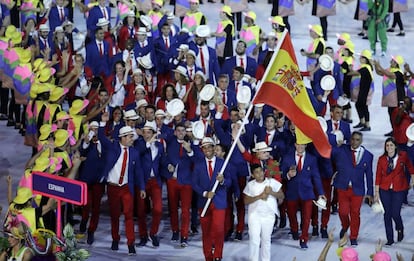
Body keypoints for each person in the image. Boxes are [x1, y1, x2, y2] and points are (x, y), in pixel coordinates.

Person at [98, 118, 145, 255]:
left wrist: (141, 188)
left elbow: (139, 171)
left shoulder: (134, 152)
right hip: (113, 187)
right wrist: (103, 122)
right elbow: (101, 136)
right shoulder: (112, 147)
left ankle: (131, 243)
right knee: (114, 215)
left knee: (129, 215)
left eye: (132, 137)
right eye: (130, 137)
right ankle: (115, 239)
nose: (132, 139)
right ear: (122, 138)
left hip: (126, 188)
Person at [192, 137, 231, 261]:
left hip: (219, 202)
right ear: (202, 150)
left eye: (210, 147)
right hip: (204, 203)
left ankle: (218, 255)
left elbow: (230, 182)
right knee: (206, 231)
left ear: (214, 148)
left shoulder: (222, 163)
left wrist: (223, 180)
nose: (207, 149)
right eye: (205, 147)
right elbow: (194, 184)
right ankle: (208, 257)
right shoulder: (198, 165)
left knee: (219, 229)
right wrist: (204, 194)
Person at [332, 131, 374, 246]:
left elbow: (369, 175)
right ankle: (345, 225)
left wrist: (370, 192)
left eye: (357, 140)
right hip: (343, 187)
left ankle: (354, 236)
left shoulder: (368, 155)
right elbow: (329, 150)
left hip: (358, 190)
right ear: (350, 139)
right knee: (342, 211)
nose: (354, 142)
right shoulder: (342, 150)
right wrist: (336, 141)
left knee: (355, 213)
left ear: (361, 141)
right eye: (353, 139)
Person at [281, 142, 326, 249]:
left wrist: (321, 193)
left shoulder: (312, 159)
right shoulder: (287, 158)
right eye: (298, 144)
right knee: (291, 214)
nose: (300, 147)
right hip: (292, 192)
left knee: (306, 217)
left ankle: (304, 238)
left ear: (306, 145)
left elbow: (316, 177)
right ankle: (295, 230)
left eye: (302, 145)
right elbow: (281, 174)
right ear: (295, 145)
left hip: (307, 192)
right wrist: (288, 175)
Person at [374, 137, 414, 246]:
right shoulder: (381, 159)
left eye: (391, 145)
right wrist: (376, 192)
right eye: (387, 145)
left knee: (395, 213)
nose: (389, 148)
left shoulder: (403, 156)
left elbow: (410, 167)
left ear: (395, 146)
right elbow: (377, 175)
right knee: (387, 214)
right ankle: (390, 239)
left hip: (399, 188)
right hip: (385, 189)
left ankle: (400, 228)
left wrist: (413, 179)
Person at [243, 164, 284, 261]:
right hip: (254, 215)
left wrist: (271, 193)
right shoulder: (250, 185)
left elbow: (282, 196)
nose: (260, 174)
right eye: (257, 172)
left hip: (269, 215)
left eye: (261, 171)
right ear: (253, 175)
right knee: (254, 239)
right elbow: (246, 200)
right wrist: (259, 196)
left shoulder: (272, 182)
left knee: (266, 239)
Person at [373, 55, 405, 137]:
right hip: (390, 97)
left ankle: (397, 132)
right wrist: (376, 65)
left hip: (397, 97)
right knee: (391, 115)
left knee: (396, 116)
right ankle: (394, 130)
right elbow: (380, 72)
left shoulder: (399, 73)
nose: (391, 61)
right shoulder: (389, 69)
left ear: (396, 63)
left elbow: (390, 75)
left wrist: (379, 65)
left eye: (393, 60)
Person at [348, 49, 374, 131]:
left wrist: (349, 69)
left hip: (366, 90)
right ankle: (362, 122)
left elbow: (353, 73)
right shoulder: (366, 67)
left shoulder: (366, 68)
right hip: (363, 89)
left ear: (365, 59)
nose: (360, 59)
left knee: (364, 106)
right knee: (359, 105)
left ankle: (367, 124)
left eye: (361, 57)